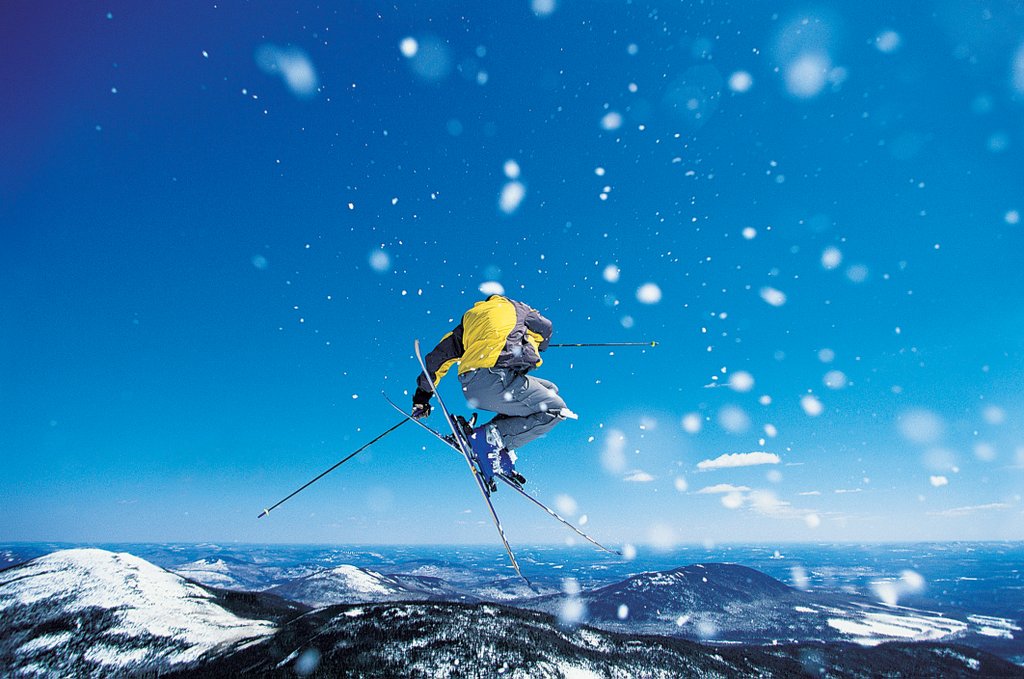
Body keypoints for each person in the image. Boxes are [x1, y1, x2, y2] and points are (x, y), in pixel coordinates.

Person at [412, 294, 576, 490]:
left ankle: (491, 442)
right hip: (497, 379)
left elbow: (439, 357)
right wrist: (538, 345)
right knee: (556, 410)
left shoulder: (470, 318)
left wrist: (423, 395)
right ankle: (488, 439)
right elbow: (546, 328)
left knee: (550, 390)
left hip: (471, 384)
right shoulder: (521, 309)